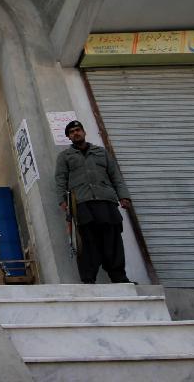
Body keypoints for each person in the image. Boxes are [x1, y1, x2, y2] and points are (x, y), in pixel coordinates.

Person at [55, 120, 133, 284]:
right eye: (72, 132)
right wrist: (63, 200)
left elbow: (115, 175)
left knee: (112, 240)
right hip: (82, 203)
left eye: (78, 130)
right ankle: (88, 279)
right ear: (69, 137)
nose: (75, 133)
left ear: (84, 132)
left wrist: (123, 196)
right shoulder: (64, 157)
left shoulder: (101, 152)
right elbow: (60, 179)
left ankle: (119, 278)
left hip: (106, 201)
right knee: (87, 242)